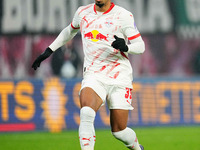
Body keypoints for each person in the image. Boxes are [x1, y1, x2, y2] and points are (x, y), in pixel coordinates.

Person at [32, 0, 145, 150]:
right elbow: (69, 31)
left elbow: (140, 46)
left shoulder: (123, 15)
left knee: (119, 131)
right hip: (94, 74)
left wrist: (126, 47)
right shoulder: (82, 12)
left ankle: (137, 148)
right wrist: (49, 50)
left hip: (119, 77)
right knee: (86, 113)